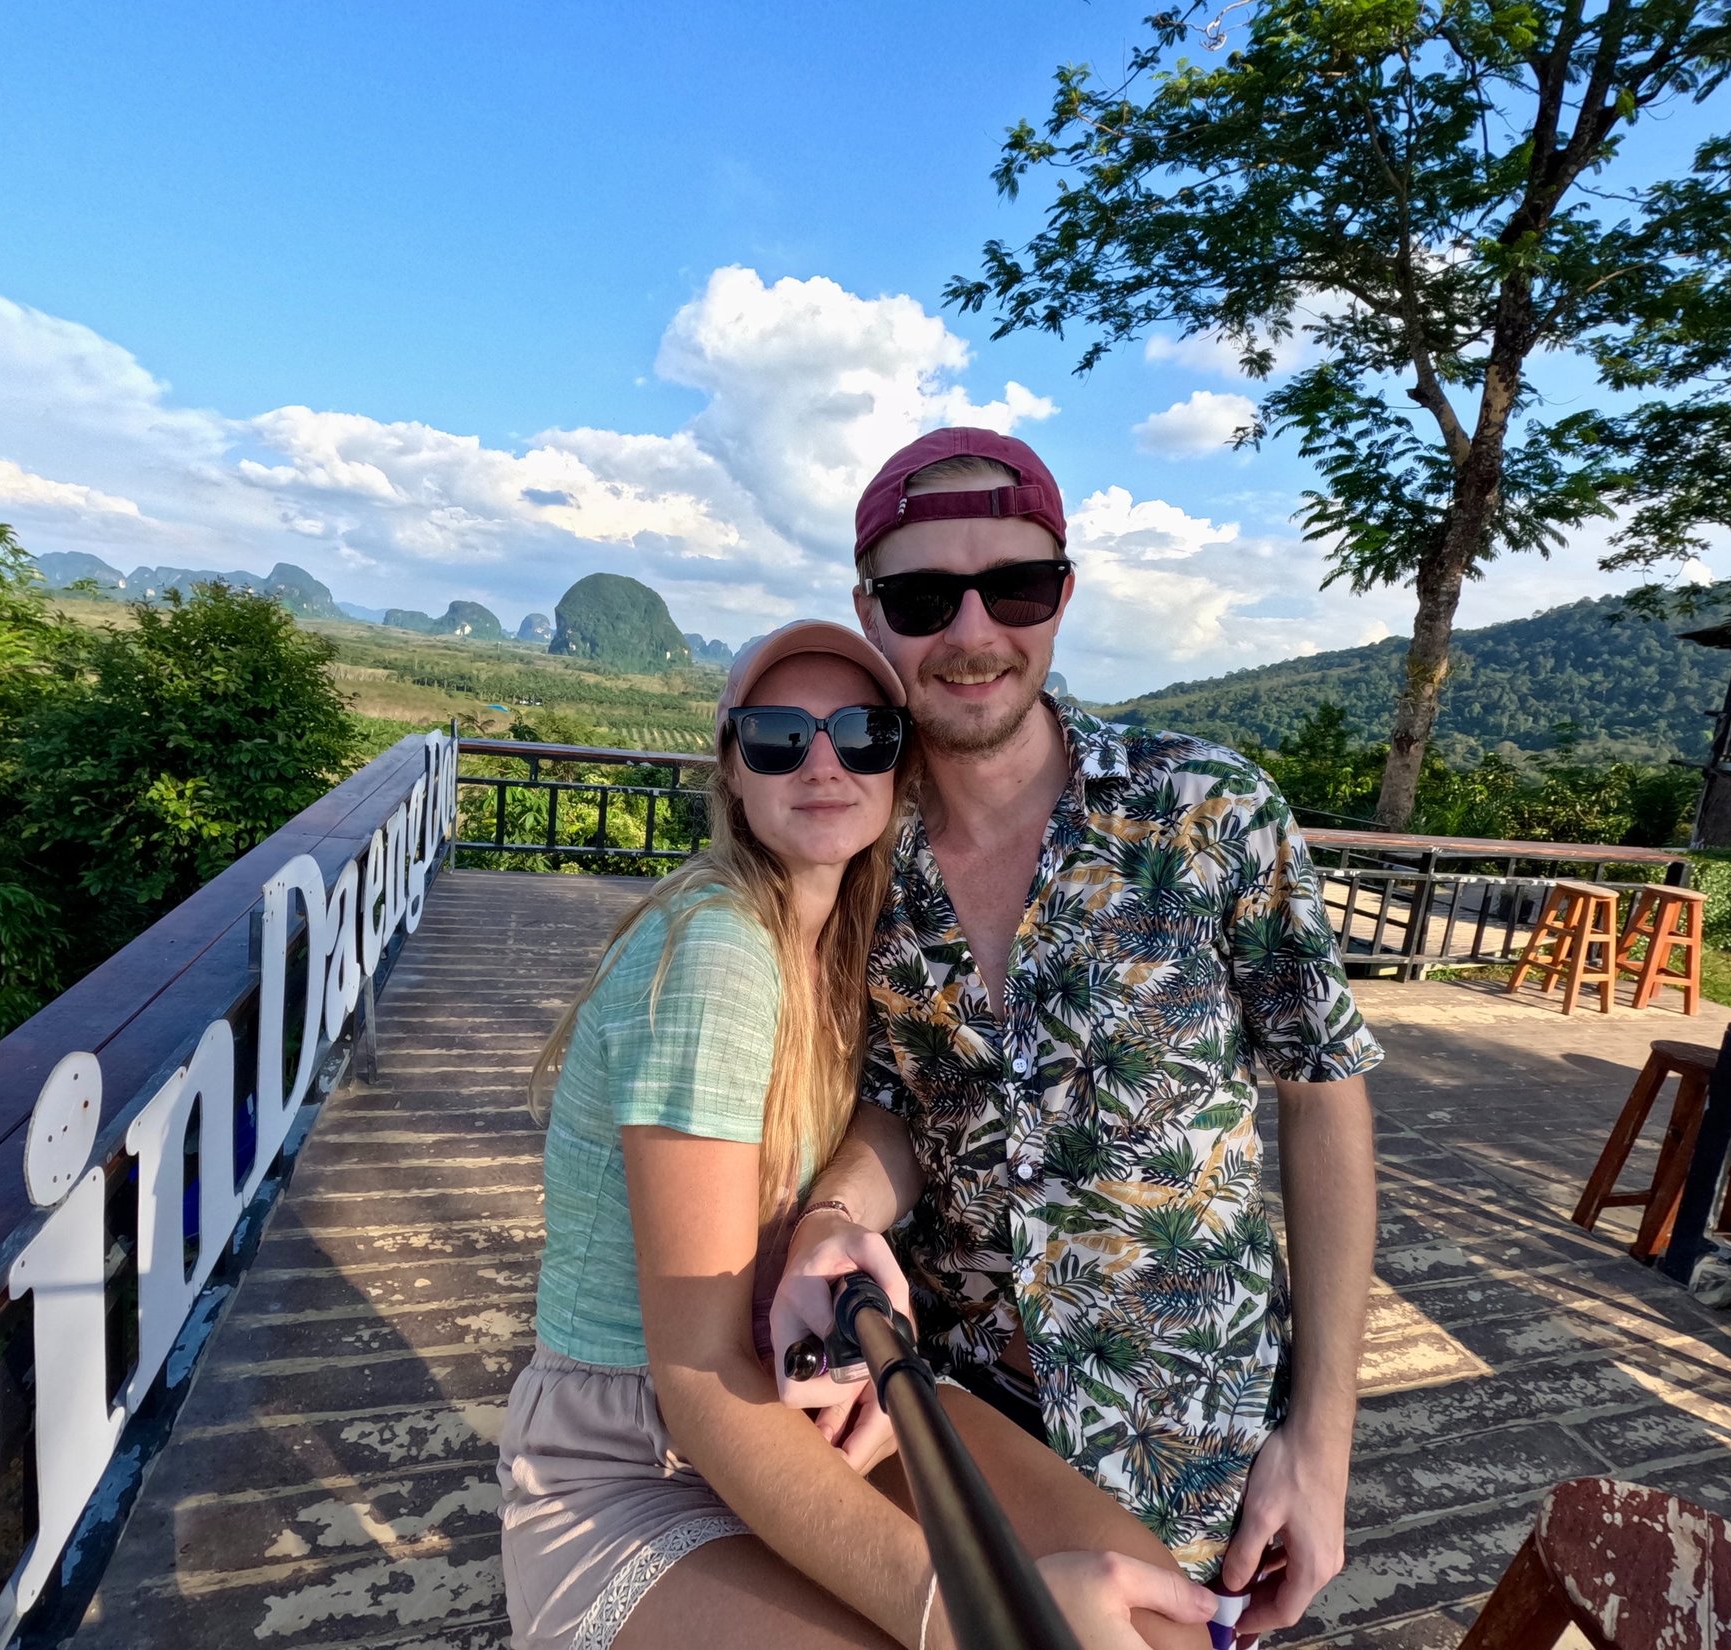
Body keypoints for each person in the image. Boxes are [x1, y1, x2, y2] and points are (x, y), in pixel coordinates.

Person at [497, 619, 1219, 1650]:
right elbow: (696, 1377)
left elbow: (892, 1121)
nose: (824, 762)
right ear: (732, 766)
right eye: (779, 736)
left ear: (899, 764)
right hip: (636, 1452)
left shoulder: (851, 939)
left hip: (802, 1392)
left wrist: (832, 1216)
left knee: (1149, 1616)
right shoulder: (716, 954)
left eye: (864, 734)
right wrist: (965, 1617)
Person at [772, 430, 1384, 1639]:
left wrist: (1322, 1438)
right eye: (922, 597)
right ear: (869, 610)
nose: (972, 632)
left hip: (1195, 1435)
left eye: (1014, 586)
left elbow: (1322, 1096)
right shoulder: (855, 850)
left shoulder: (1208, 810)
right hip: (950, 1418)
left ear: (1062, 592)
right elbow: (901, 1103)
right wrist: (833, 1215)